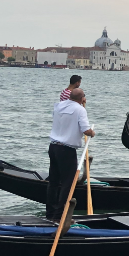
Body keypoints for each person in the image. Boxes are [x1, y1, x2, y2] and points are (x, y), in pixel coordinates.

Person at [46, 87, 95, 222]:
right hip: (66, 151)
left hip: (53, 147)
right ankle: (59, 216)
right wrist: (92, 133)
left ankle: (50, 213)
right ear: (82, 98)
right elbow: (86, 130)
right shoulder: (80, 109)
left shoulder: (58, 106)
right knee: (68, 183)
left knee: (54, 182)